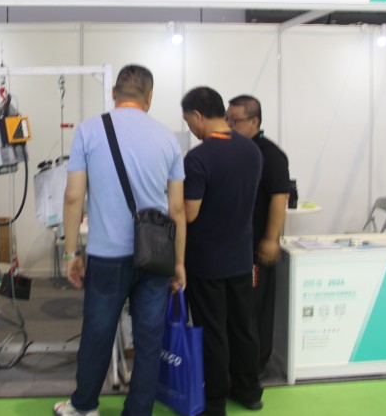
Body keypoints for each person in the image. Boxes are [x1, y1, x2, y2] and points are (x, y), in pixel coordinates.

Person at [54, 64, 187, 416]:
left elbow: (73, 197)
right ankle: (139, 411)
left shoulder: (88, 131)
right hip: (156, 255)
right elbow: (177, 209)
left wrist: (71, 253)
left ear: (114, 93)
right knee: (149, 338)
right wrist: (178, 262)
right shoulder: (168, 139)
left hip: (107, 255)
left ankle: (84, 406)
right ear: (149, 97)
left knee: (98, 333)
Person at [180, 86, 263, 416]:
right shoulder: (252, 151)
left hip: (206, 262)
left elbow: (189, 213)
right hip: (241, 257)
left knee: (212, 331)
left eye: (189, 121)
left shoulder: (198, 158)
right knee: (243, 327)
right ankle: (249, 390)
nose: (190, 128)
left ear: (198, 115)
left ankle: (214, 402)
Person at [227, 95, 291, 374]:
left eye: (235, 120)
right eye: (227, 119)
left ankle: (255, 366)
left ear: (255, 121)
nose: (229, 125)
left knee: (255, 309)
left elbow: (280, 197)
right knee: (238, 308)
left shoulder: (269, 154)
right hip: (234, 248)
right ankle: (238, 364)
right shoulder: (235, 150)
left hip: (256, 248)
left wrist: (270, 239)